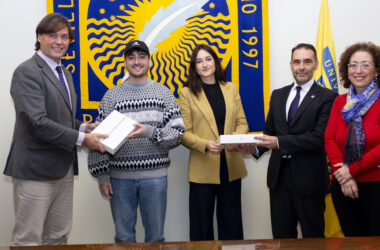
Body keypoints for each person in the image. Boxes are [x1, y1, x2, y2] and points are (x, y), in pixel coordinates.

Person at [4, 13, 106, 246]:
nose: (60, 41)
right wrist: (83, 138)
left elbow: (61, 118)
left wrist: (84, 126)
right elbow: (37, 122)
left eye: (64, 36)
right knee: (28, 240)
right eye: (52, 35)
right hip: (35, 172)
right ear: (39, 37)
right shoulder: (27, 72)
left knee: (58, 237)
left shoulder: (64, 72)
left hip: (63, 170)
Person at [88, 40, 184, 243]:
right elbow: (97, 140)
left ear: (149, 61)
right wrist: (102, 176)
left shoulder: (163, 93)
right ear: (125, 62)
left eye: (141, 57)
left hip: (155, 177)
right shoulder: (111, 96)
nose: (137, 61)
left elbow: (177, 133)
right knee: (123, 237)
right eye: (131, 57)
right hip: (119, 179)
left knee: (156, 237)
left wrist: (148, 131)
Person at [242, 43, 337, 238]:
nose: (301, 66)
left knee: (313, 238)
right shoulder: (278, 95)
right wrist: (251, 148)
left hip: (309, 181)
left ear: (316, 64)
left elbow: (319, 138)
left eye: (307, 61)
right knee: (281, 239)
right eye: (297, 61)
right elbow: (269, 131)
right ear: (291, 64)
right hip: (279, 181)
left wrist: (279, 142)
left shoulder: (328, 97)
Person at [179, 44, 248, 241]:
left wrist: (233, 140)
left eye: (208, 59)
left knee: (232, 225)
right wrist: (206, 144)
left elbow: (242, 122)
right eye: (199, 61)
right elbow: (184, 133)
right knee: (201, 228)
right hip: (203, 166)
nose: (205, 64)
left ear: (215, 62)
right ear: (194, 67)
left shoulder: (230, 88)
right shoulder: (187, 93)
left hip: (231, 165)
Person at [324, 42, 380, 236]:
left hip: (376, 184)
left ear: (377, 70)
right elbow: (329, 138)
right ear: (346, 70)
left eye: (366, 64)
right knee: (352, 242)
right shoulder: (340, 101)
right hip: (343, 185)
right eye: (353, 65)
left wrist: (351, 170)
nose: (358, 70)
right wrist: (343, 174)